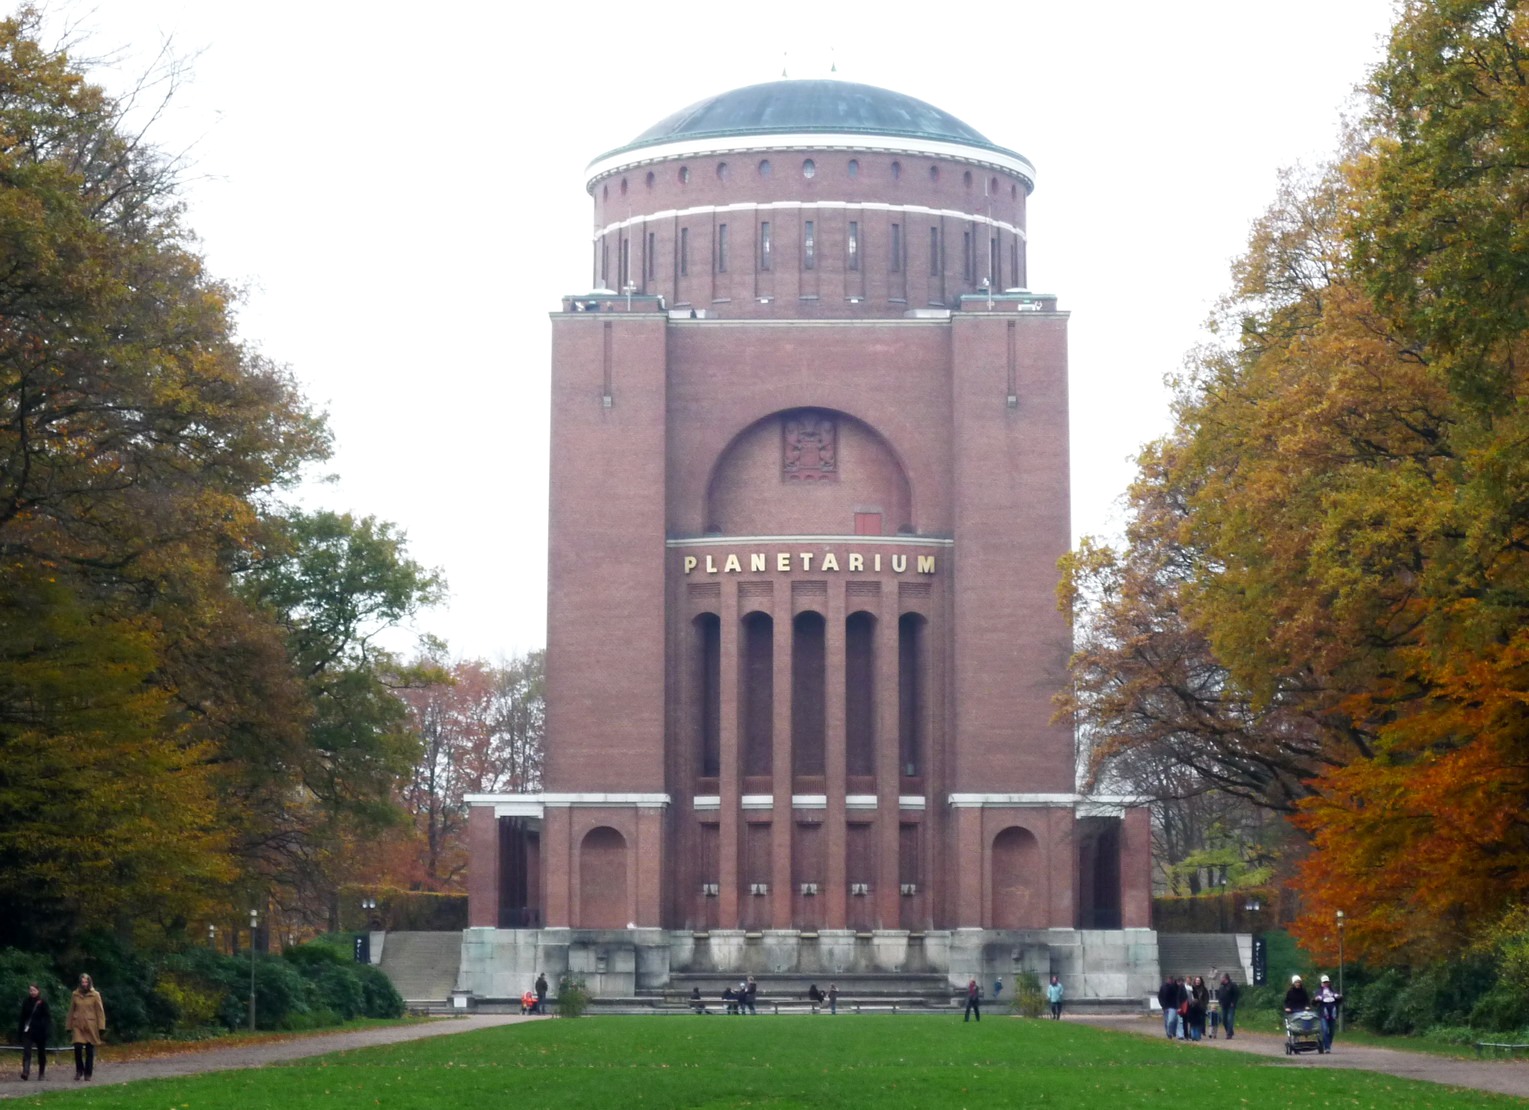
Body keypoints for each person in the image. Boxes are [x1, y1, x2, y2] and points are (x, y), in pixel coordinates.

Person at [65, 974, 105, 1081]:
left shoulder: (95, 995)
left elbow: (100, 1012)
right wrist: (69, 1025)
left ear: (89, 982)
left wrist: (101, 1027)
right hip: (78, 1024)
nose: (84, 984)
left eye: (86, 982)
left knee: (89, 1050)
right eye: (82, 982)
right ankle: (79, 1070)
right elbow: (71, 1010)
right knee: (77, 1047)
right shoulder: (75, 994)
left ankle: (88, 1073)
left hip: (91, 1025)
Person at [19, 984, 50, 1081]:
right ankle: (26, 1071)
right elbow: (22, 1017)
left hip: (40, 1031)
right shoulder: (26, 1002)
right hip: (29, 1030)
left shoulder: (43, 1002)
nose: (32, 992)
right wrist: (20, 1030)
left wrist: (46, 1029)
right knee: (26, 1051)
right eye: (31, 990)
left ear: (38, 991)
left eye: (34, 990)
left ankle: (41, 1072)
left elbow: (47, 1017)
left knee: (41, 1052)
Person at [1314, 974, 1342, 1051]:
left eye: (1327, 982)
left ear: (1329, 982)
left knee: (1332, 1031)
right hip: (1323, 1013)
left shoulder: (1333, 990)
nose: (1326, 983)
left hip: (1332, 1013)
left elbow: (1339, 1001)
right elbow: (1314, 1003)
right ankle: (1327, 1047)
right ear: (1321, 983)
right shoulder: (1318, 992)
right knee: (1325, 1030)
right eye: (1324, 982)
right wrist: (1316, 1000)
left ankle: (1326, 1044)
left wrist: (1339, 997)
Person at [1216, 973, 1240, 1040]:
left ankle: (1229, 1034)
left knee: (1230, 1019)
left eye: (1221, 978)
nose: (1220, 979)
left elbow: (1236, 994)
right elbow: (1219, 995)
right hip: (1223, 1005)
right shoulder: (1221, 986)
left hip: (1230, 1006)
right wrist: (1220, 1002)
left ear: (1225, 978)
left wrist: (1233, 1002)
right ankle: (1230, 1031)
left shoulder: (1232, 985)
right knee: (1224, 1020)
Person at [1187, 976, 1208, 1041]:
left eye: (1199, 980)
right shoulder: (1192, 988)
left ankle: (1199, 1034)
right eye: (1196, 980)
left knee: (1200, 1021)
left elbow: (1206, 998)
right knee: (1192, 1021)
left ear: (1201, 981)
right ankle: (1192, 1034)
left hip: (1201, 1007)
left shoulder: (1204, 989)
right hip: (1193, 1007)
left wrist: (1204, 1005)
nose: (1198, 981)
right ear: (1195, 981)